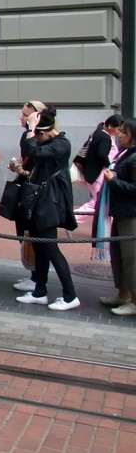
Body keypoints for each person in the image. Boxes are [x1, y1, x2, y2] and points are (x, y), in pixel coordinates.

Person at [14, 105, 80, 310]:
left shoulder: (61, 144)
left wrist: (30, 128)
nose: (36, 137)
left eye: (37, 134)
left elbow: (32, 149)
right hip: (41, 201)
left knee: (51, 249)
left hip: (50, 203)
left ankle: (70, 296)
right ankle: (39, 291)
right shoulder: (50, 143)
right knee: (41, 247)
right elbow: (31, 154)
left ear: (43, 132)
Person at [9, 100, 47, 294]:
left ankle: (38, 277)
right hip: (26, 187)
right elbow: (28, 159)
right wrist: (19, 166)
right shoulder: (28, 135)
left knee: (34, 234)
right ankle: (34, 274)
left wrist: (22, 170)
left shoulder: (36, 135)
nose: (21, 118)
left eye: (25, 115)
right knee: (24, 231)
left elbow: (34, 159)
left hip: (34, 191)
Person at [99, 116, 136, 314]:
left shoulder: (134, 157)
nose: (119, 135)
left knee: (131, 258)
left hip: (130, 215)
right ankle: (123, 294)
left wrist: (113, 181)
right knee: (118, 254)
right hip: (119, 211)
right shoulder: (125, 154)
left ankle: (134, 301)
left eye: (124, 133)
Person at [74, 114, 122, 216]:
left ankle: (74, 219)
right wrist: (109, 165)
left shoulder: (100, 133)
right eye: (118, 129)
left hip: (96, 174)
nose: (119, 133)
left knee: (98, 202)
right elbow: (102, 154)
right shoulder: (104, 137)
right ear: (110, 126)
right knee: (98, 203)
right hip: (98, 174)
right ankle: (74, 218)